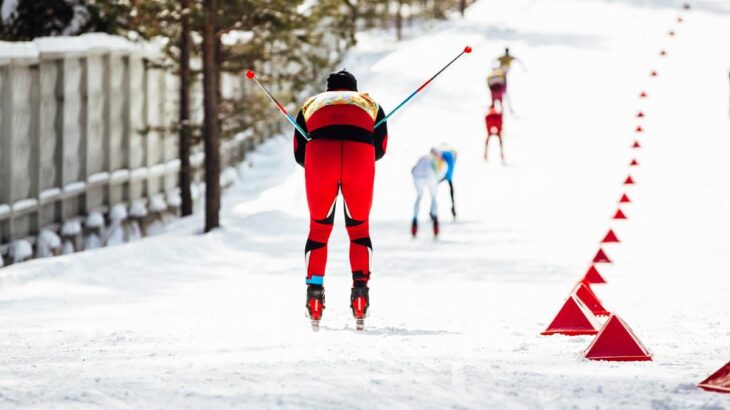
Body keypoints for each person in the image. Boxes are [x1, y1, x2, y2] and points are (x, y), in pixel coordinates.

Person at [293, 69, 388, 330]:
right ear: (354, 90)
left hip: (320, 155)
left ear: (328, 90)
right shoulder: (369, 103)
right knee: (359, 230)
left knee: (319, 231)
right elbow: (380, 147)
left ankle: (314, 297)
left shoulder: (311, 103)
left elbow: (299, 153)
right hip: (360, 155)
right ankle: (360, 294)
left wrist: (319, 168)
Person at [411, 149, 444, 238]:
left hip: (417, 176)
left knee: (419, 196)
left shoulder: (423, 157)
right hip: (430, 176)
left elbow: (413, 169)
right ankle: (435, 223)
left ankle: (414, 221)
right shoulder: (435, 159)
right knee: (433, 197)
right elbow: (440, 173)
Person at [438, 144, 458, 219]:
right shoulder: (452, 156)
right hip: (448, 176)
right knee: (451, 190)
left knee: (434, 190)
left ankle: (432, 210)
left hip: (443, 175)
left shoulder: (445, 154)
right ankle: (453, 207)